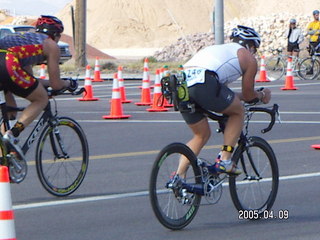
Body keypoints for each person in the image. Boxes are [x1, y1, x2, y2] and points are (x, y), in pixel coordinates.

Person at [175, 25, 271, 177]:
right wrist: (262, 95)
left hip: (181, 83)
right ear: (250, 45)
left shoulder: (220, 51)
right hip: (205, 82)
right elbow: (248, 96)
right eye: (255, 48)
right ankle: (225, 160)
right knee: (238, 111)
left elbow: (225, 96)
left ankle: (178, 178)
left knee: (201, 135)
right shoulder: (248, 58)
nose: (254, 53)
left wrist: (240, 97)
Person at [0, 15, 77, 159]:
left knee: (10, 111)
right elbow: (56, 84)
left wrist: (45, 84)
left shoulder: (25, 38)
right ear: (55, 34)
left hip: (5, 63)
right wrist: (68, 83)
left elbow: (30, 80)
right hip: (8, 63)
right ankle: (12, 134)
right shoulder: (50, 45)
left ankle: (3, 156)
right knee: (41, 99)